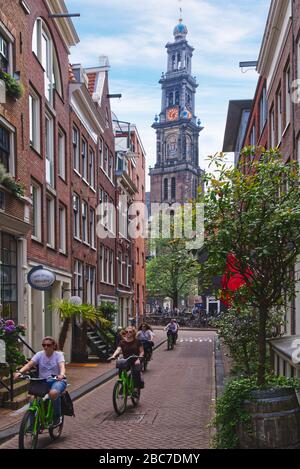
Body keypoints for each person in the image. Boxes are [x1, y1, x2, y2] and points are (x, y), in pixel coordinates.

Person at [14, 336, 67, 427]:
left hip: (57, 380)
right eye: (44, 345)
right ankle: (32, 425)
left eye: (48, 345)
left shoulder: (58, 355)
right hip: (43, 381)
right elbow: (29, 364)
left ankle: (56, 416)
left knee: (53, 393)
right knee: (32, 399)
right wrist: (20, 372)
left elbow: (62, 366)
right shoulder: (39, 354)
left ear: (53, 345)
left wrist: (61, 374)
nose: (46, 347)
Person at [108, 326, 144, 396]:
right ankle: (123, 385)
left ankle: (136, 388)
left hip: (135, 359)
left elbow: (142, 352)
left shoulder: (137, 341)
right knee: (120, 370)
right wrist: (113, 356)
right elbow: (118, 349)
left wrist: (139, 359)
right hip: (126, 360)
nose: (128, 333)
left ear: (133, 333)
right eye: (126, 332)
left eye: (130, 332)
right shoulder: (122, 342)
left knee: (136, 371)